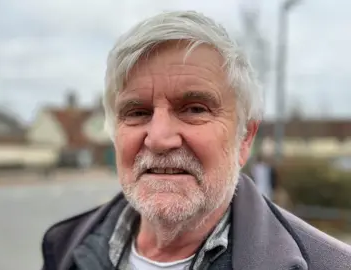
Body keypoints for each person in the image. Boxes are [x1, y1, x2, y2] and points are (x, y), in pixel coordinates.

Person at [40, 11, 351, 270]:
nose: (159, 138)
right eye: (137, 112)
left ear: (245, 139)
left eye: (194, 109)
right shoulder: (65, 247)